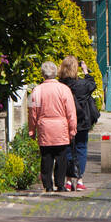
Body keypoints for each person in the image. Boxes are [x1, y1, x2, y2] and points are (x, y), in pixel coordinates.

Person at [28, 61, 77, 194]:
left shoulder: (36, 90)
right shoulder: (64, 89)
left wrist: (31, 130)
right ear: (55, 73)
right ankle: (60, 185)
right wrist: (72, 129)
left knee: (46, 156)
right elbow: (71, 112)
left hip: (44, 127)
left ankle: (48, 185)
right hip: (61, 126)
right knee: (61, 156)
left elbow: (33, 113)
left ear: (43, 74)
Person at [60, 56, 98, 191]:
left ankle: (68, 181)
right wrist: (86, 71)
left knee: (68, 150)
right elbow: (92, 85)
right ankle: (80, 179)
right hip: (82, 120)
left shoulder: (61, 85)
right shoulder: (82, 84)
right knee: (81, 148)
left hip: (65, 121)